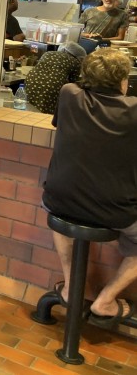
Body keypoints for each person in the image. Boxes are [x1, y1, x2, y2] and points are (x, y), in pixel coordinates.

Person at [42, 49, 137, 328]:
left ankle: (72, 287)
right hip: (113, 210)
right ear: (123, 81)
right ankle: (106, 299)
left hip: (58, 200)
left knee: (60, 209)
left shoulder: (68, 94)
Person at [25, 42, 85, 115]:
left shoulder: (48, 53)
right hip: (53, 85)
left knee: (30, 106)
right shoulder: (76, 62)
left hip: (32, 80)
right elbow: (73, 83)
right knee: (47, 111)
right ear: (78, 57)